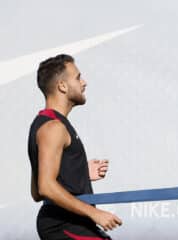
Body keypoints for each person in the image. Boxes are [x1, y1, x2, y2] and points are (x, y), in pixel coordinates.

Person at [28, 54, 122, 239]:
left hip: (70, 223)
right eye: (78, 77)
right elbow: (45, 188)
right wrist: (94, 213)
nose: (84, 82)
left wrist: (79, 174)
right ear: (62, 86)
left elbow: (36, 192)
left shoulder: (46, 124)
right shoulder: (53, 128)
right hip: (63, 224)